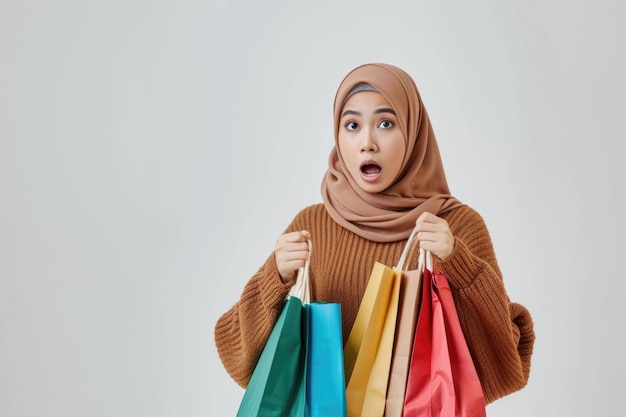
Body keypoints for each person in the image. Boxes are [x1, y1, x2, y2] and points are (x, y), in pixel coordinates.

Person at [214, 63, 535, 404]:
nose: (367, 143)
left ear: (413, 132)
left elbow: (504, 366)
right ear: (337, 137)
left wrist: (460, 264)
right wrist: (274, 277)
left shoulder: (454, 225)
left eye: (385, 123)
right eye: (352, 125)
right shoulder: (313, 225)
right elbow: (240, 360)